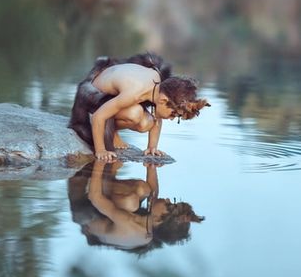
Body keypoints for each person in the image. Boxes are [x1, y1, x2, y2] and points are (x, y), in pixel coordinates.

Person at [68, 53, 210, 161]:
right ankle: (110, 132)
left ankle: (114, 130)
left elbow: (157, 117)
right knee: (134, 113)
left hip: (113, 96)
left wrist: (152, 147)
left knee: (146, 122)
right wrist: (100, 150)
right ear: (163, 100)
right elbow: (100, 115)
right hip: (93, 95)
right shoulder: (135, 92)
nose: (172, 119)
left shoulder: (159, 87)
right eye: (174, 114)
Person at [67, 160, 204, 254]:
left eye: (169, 204)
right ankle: (108, 173)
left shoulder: (131, 225)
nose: (168, 199)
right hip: (107, 214)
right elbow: (153, 194)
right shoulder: (151, 225)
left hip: (87, 217)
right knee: (143, 189)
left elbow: (95, 197)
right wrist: (152, 162)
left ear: (157, 220)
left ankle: (97, 172)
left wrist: (98, 163)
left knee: (130, 201)